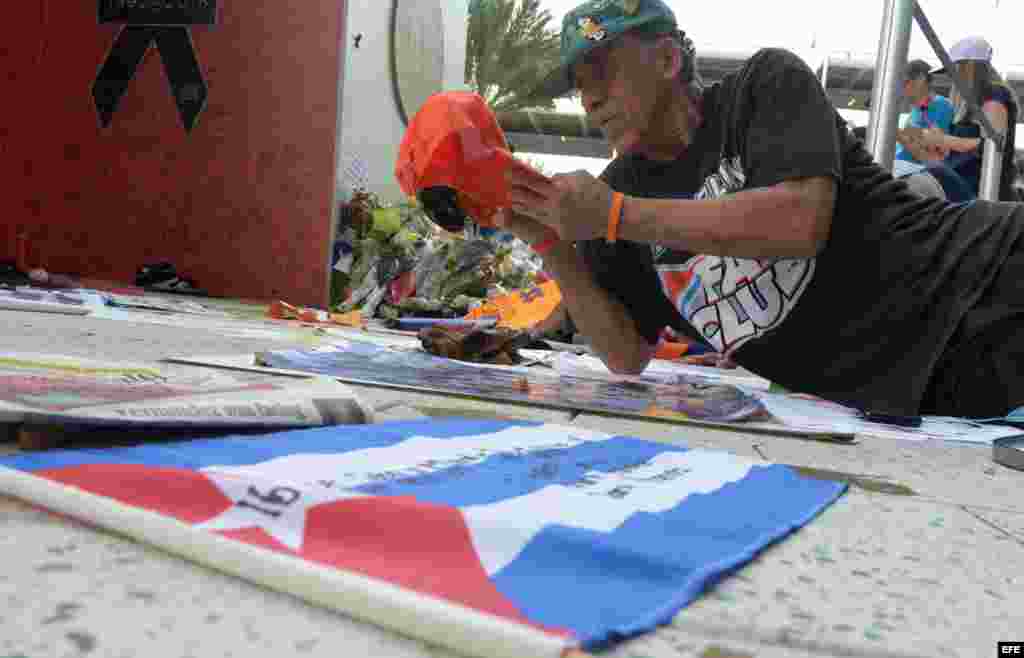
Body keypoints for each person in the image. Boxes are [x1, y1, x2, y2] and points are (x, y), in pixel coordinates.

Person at [496, 0, 1024, 419]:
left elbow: (800, 221)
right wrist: (552, 246)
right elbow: (625, 353)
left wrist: (616, 215)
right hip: (935, 387)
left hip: (985, 273)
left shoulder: (762, 87)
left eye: (602, 71)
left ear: (666, 59)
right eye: (579, 87)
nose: (589, 100)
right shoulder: (611, 196)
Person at [917, 36, 1019, 201]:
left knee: (929, 171)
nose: (950, 77)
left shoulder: (995, 95)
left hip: (982, 191)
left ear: (969, 67)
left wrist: (944, 140)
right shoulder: (970, 105)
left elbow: (992, 146)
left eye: (953, 69)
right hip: (965, 184)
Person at [895, 59, 954, 164]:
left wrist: (900, 136)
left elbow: (933, 148)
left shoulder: (941, 104)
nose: (903, 88)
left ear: (921, 79)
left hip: (915, 171)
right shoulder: (916, 109)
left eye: (906, 82)